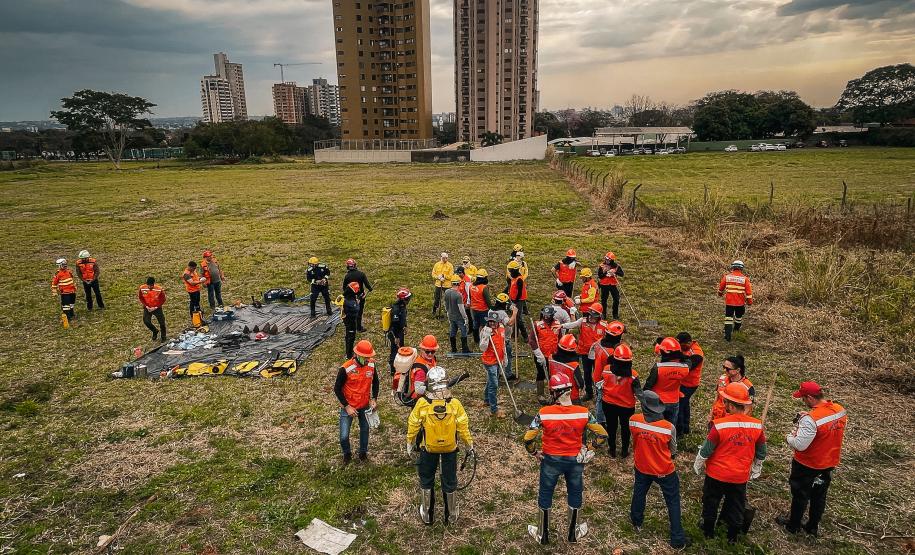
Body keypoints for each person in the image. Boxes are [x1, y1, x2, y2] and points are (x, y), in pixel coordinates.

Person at [523, 372, 608, 544]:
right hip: (575, 460)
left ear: (554, 393)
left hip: (550, 460)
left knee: (546, 493)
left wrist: (534, 453)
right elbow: (603, 435)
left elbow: (528, 439)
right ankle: (573, 533)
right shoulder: (583, 412)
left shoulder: (544, 413)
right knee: (575, 492)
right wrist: (589, 448)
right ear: (569, 390)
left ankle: (542, 534)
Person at [694, 383, 767, 543]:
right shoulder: (756, 425)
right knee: (736, 505)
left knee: (711, 502)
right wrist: (757, 466)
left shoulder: (720, 425)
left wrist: (698, 463)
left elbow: (706, 450)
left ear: (732, 406)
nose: (724, 404)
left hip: (716, 474)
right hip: (739, 476)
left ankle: (708, 532)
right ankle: (732, 537)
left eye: (725, 402)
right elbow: (761, 451)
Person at [775, 381, 847, 538]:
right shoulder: (839, 410)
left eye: (803, 398)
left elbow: (800, 445)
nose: (803, 401)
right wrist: (809, 416)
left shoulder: (811, 419)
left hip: (808, 464)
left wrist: (789, 437)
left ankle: (793, 525)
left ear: (810, 398)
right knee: (819, 495)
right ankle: (812, 527)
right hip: (828, 461)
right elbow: (826, 428)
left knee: (800, 494)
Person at [407, 366, 475, 525]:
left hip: (428, 449)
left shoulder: (422, 403)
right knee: (450, 480)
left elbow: (413, 424)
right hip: (450, 449)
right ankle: (451, 515)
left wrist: (409, 442)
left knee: (426, 479)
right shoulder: (455, 404)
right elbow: (463, 426)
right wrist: (469, 444)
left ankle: (427, 515)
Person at [629, 390, 689, 549]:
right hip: (664, 470)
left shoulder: (634, 420)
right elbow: (673, 449)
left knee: (639, 492)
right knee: (673, 501)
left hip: (642, 466)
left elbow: (634, 440)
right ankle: (677, 538)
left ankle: (636, 520)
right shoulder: (668, 427)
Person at [334, 340, 379, 465]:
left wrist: (374, 398)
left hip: (364, 405)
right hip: (349, 406)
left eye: (369, 357)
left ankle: (363, 454)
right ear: (357, 355)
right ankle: (347, 454)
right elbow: (337, 388)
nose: (368, 360)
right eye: (365, 357)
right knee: (344, 436)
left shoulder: (372, 365)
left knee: (365, 430)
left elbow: (376, 382)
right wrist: (347, 406)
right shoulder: (346, 368)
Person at [601, 344, 645, 459]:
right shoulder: (633, 375)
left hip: (608, 404)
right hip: (627, 407)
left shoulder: (606, 370)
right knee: (625, 428)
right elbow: (639, 393)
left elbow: (601, 384)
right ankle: (624, 451)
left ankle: (612, 450)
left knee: (611, 427)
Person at [561, 303, 607, 402]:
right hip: (585, 353)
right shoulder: (582, 321)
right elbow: (572, 324)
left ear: (599, 316)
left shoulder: (604, 325)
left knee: (598, 374)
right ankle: (589, 393)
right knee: (587, 373)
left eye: (594, 316)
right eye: (590, 315)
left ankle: (599, 393)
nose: (591, 318)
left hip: (598, 355)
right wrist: (561, 326)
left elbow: (609, 337)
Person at [643, 337, 689, 425]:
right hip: (674, 401)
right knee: (670, 427)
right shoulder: (685, 368)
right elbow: (688, 360)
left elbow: (648, 385)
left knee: (657, 426)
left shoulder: (658, 368)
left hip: (658, 402)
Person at [591, 319, 626, 426]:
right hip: (606, 381)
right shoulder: (613, 352)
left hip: (597, 376)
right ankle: (601, 422)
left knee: (600, 399)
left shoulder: (598, 343)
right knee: (602, 401)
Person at [529, 306, 562, 405]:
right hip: (541, 355)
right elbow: (532, 340)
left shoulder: (557, 324)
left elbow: (560, 338)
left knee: (553, 374)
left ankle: (554, 393)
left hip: (554, 355)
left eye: (548, 315)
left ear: (552, 315)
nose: (546, 317)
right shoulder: (537, 325)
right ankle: (540, 394)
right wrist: (538, 353)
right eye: (545, 315)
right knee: (541, 373)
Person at [709, 355, 755, 423]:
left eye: (728, 369)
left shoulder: (747, 387)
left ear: (738, 370)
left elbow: (748, 408)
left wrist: (737, 423)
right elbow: (717, 397)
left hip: (731, 421)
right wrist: (711, 414)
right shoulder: (722, 379)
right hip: (717, 417)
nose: (724, 370)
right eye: (724, 367)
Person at [676, 332, 705, 438]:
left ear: (688, 343)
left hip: (689, 385)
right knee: (684, 404)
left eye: (682, 346)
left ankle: (679, 432)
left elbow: (689, 365)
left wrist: (675, 354)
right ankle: (685, 427)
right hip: (682, 382)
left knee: (679, 406)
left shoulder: (697, 353)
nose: (680, 348)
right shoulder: (685, 347)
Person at [479, 310, 507, 418]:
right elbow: (482, 348)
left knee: (491, 381)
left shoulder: (501, 328)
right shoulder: (486, 330)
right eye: (490, 321)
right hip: (490, 362)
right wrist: (486, 337)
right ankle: (494, 409)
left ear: (498, 321)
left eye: (494, 321)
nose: (492, 323)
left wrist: (505, 358)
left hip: (499, 359)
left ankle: (487, 400)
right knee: (494, 385)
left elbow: (503, 344)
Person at [718, 260, 753, 341]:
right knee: (738, 316)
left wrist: (720, 294)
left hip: (729, 302)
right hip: (740, 303)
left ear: (732, 267)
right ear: (742, 268)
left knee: (728, 318)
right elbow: (748, 292)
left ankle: (727, 335)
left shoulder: (727, 277)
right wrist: (749, 301)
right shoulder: (745, 279)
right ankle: (736, 329)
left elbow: (721, 288)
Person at [404, 335, 439, 406]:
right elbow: (419, 390)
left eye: (433, 351)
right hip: (419, 400)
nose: (430, 354)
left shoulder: (432, 359)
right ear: (421, 349)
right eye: (427, 351)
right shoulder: (420, 370)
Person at [549, 334, 584, 404]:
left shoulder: (550, 358)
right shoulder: (573, 365)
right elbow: (580, 383)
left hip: (556, 394)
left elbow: (550, 374)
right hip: (571, 397)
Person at [492, 292, 519, 381]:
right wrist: (514, 313)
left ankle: (497, 373)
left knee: (496, 357)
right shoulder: (502, 314)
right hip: (504, 339)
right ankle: (508, 374)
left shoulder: (491, 311)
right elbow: (510, 323)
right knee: (507, 356)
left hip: (494, 339)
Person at [343, 258, 373, 332]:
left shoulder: (347, 276)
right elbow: (367, 285)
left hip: (350, 297)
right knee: (359, 312)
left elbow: (344, 288)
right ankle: (359, 328)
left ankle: (351, 327)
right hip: (361, 296)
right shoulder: (361, 274)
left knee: (351, 313)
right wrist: (370, 289)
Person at [387, 287, 412, 374]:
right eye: (407, 298)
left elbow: (403, 319)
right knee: (395, 350)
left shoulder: (402, 306)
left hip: (400, 331)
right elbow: (395, 324)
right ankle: (393, 369)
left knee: (401, 349)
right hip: (395, 333)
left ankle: (400, 366)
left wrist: (405, 326)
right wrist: (396, 337)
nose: (409, 300)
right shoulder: (396, 309)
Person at [444, 277, 470, 353]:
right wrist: (465, 318)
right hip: (459, 317)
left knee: (453, 331)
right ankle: (465, 349)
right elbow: (461, 308)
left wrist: (448, 312)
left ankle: (454, 349)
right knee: (463, 332)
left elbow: (446, 304)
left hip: (451, 316)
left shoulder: (447, 292)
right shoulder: (458, 295)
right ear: (458, 284)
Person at [597, 252, 624, 320]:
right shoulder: (602, 266)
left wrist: (614, 272)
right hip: (604, 285)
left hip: (613, 285)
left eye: (608, 259)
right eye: (606, 259)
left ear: (612, 260)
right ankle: (603, 314)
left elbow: (622, 274)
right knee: (604, 300)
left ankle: (615, 314)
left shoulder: (616, 266)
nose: (606, 261)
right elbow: (600, 276)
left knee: (616, 299)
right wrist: (606, 272)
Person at [138, 277, 166, 342]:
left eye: (151, 286)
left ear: (154, 284)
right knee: (146, 321)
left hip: (157, 308)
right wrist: (146, 306)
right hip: (147, 307)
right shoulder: (142, 288)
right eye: (148, 286)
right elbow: (141, 297)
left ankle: (163, 336)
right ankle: (154, 331)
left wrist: (156, 307)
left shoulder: (159, 289)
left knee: (162, 323)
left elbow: (163, 299)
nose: (150, 287)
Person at [506, 261, 529, 340]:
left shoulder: (519, 279)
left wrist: (515, 302)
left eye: (510, 270)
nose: (509, 271)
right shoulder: (514, 278)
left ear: (514, 270)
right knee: (515, 317)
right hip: (514, 300)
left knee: (518, 318)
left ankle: (525, 336)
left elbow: (519, 292)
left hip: (518, 301)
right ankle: (514, 334)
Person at [469, 269, 492, 345]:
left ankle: (476, 339)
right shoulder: (484, 287)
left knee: (475, 324)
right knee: (484, 325)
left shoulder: (471, 286)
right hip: (483, 310)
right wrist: (491, 308)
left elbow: (470, 297)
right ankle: (483, 340)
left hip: (474, 309)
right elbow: (488, 301)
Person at [51, 258, 77, 322]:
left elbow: (72, 279)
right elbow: (54, 283)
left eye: (65, 264)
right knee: (66, 305)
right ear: (60, 266)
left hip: (72, 291)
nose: (65, 266)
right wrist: (54, 291)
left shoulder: (69, 271)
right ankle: (67, 317)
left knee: (72, 303)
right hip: (65, 292)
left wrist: (74, 286)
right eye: (63, 265)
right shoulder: (58, 274)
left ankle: (71, 313)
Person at [431, 252, 454, 318]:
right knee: (437, 298)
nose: (445, 259)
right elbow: (433, 274)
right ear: (441, 257)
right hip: (438, 284)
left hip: (447, 285)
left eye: (446, 258)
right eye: (444, 258)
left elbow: (451, 276)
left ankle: (449, 312)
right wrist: (438, 277)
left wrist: (444, 276)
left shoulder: (450, 265)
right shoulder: (437, 265)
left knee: (448, 299)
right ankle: (434, 311)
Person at [342, 282, 361, 358]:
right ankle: (349, 355)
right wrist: (357, 303)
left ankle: (348, 352)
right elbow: (357, 309)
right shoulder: (350, 303)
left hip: (347, 320)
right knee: (351, 337)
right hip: (351, 322)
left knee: (348, 336)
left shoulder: (346, 298)